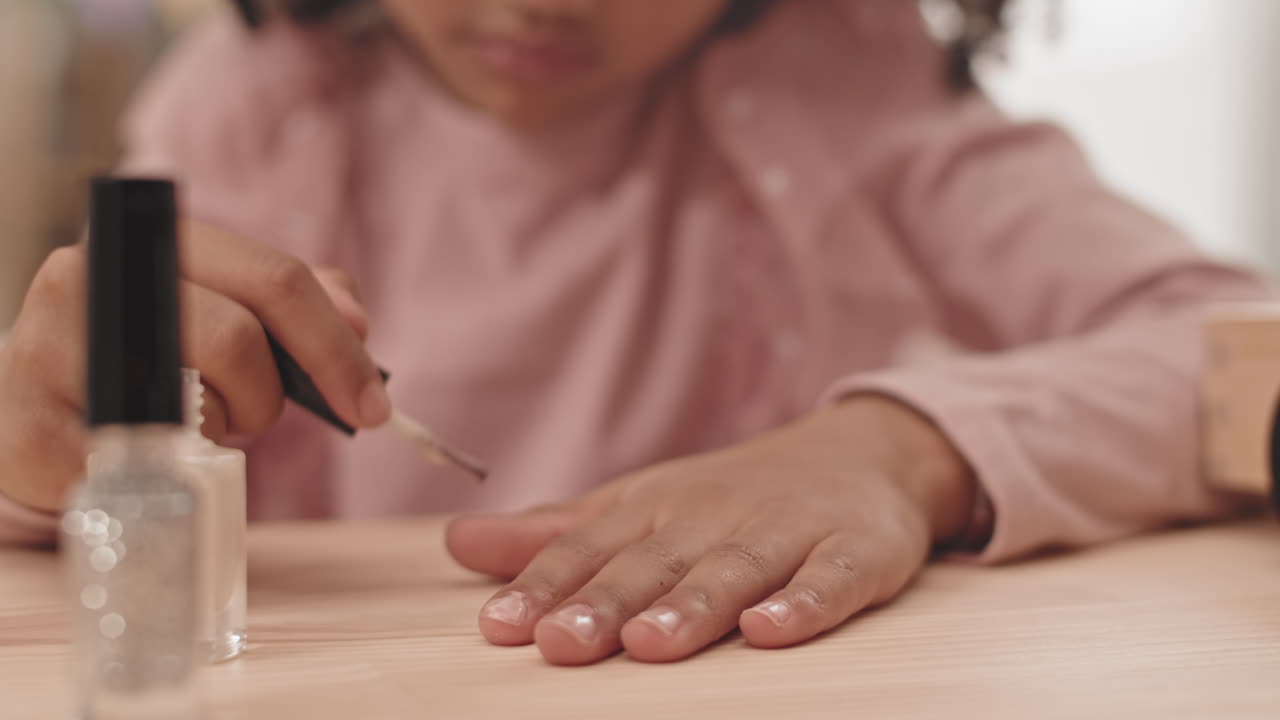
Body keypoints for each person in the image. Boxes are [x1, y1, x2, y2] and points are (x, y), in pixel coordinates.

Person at [0, 0, 1271, 666]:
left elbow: (1233, 344)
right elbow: (86, 494)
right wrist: (45, 439)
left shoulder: (846, 78)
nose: (548, 0)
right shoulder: (251, 100)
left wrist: (896, 452)